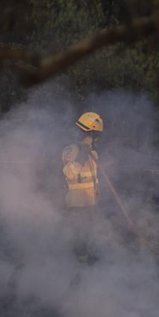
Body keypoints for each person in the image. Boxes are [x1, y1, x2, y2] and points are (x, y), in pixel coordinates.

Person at [63, 111, 103, 263]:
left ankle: (85, 265)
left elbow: (93, 178)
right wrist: (81, 155)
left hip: (90, 202)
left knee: (87, 235)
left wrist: (97, 193)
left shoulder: (92, 152)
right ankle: (77, 269)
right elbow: (70, 174)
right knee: (78, 237)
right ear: (88, 133)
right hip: (76, 203)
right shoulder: (71, 150)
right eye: (95, 135)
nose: (96, 139)